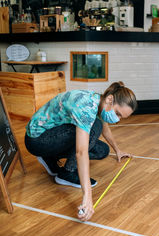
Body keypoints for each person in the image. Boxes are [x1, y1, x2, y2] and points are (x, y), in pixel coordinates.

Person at [25, 81, 137, 221]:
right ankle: (66, 173)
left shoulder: (98, 101)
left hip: (52, 135)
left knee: (102, 150)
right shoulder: (86, 106)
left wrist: (118, 150)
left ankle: (49, 157)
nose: (117, 119)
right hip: (37, 140)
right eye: (117, 113)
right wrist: (87, 197)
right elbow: (81, 152)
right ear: (110, 99)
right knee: (94, 126)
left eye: (121, 117)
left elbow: (105, 127)